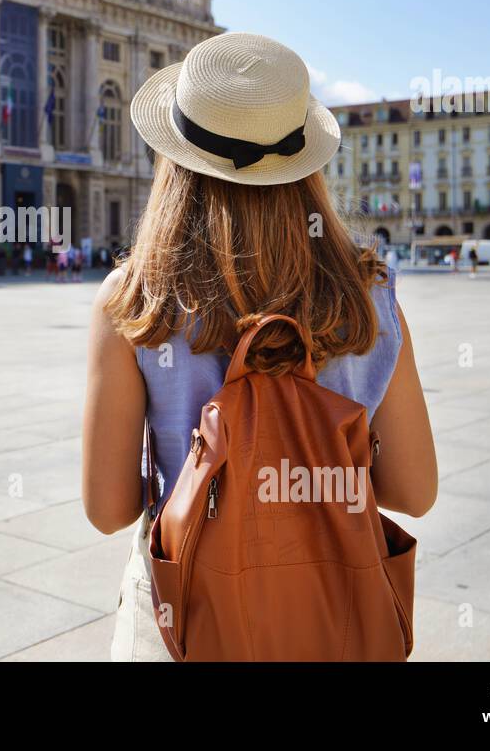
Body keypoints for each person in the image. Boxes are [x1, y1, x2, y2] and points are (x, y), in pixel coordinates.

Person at [82, 33, 437, 662]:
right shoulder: (369, 299)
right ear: (307, 168)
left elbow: (109, 509)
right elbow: (414, 490)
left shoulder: (135, 301)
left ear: (176, 158)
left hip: (184, 615)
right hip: (331, 613)